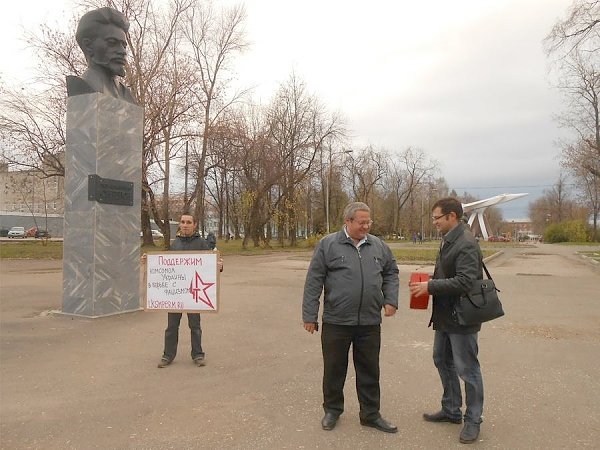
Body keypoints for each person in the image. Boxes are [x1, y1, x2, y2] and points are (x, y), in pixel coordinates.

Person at [302, 202, 399, 433]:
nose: (366, 226)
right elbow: (314, 281)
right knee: (334, 369)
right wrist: (309, 315)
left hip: (369, 322)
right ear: (347, 221)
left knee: (369, 370)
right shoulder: (328, 245)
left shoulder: (379, 246)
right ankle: (332, 410)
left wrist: (391, 299)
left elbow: (391, 272)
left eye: (369, 222)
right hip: (337, 321)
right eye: (361, 222)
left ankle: (370, 414)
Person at [408, 197, 484, 444]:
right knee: (441, 359)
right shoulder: (449, 239)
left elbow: (466, 281)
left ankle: (473, 420)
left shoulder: (466, 243)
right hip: (445, 315)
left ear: (452, 216)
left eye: (437, 218)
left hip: (462, 317)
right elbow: (448, 274)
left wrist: (430, 286)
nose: (435, 222)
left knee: (468, 370)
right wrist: (428, 280)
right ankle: (451, 410)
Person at [157, 213, 223, 368]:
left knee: (195, 326)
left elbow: (210, 266)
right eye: (182, 222)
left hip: (194, 294)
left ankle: (198, 355)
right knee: (171, 326)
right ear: (180, 224)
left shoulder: (201, 244)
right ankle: (168, 355)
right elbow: (165, 266)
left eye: (188, 222)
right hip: (176, 294)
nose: (185, 225)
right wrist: (150, 263)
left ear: (194, 225)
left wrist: (219, 267)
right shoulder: (175, 244)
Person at [67, 7, 137, 104]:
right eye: (112, 43)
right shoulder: (82, 86)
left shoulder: (127, 96)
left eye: (124, 46)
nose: (122, 51)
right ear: (88, 46)